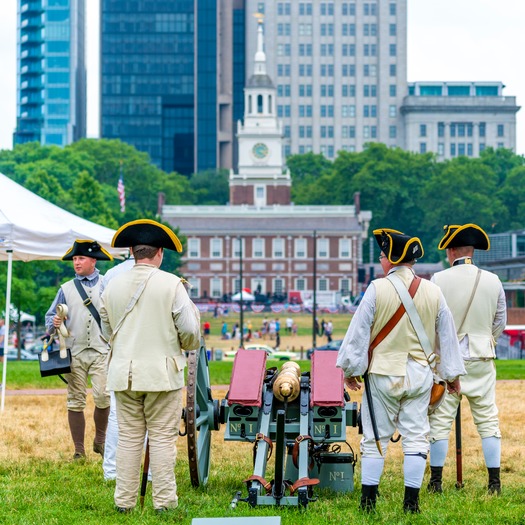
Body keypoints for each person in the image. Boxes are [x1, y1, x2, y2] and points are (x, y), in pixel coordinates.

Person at [336, 228, 465, 513]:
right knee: (417, 437)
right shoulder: (433, 291)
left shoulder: (376, 289)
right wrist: (452, 377)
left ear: (391, 259)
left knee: (374, 440)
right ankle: (411, 504)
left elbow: (358, 333)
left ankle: (368, 503)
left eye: (383, 255)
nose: (382, 260)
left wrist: (350, 371)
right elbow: (447, 336)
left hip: (382, 374)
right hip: (420, 374)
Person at [100, 219, 201, 513]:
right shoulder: (172, 285)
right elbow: (190, 333)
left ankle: (124, 502)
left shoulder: (112, 286)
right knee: (161, 439)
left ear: (132, 251)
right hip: (162, 375)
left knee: (129, 439)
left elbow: (107, 332)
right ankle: (165, 503)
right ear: (159, 253)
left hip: (124, 375)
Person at [428, 224, 507, 495]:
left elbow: (432, 324)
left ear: (451, 250)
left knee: (439, 422)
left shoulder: (438, 280)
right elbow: (500, 321)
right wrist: (486, 340)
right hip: (483, 357)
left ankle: (436, 482)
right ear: (472, 251)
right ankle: (494, 483)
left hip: (449, 362)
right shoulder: (494, 280)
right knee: (488, 420)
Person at [45, 240, 113, 460]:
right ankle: (78, 450)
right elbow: (49, 319)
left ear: (93, 261)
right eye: (74, 259)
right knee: (75, 400)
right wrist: (54, 322)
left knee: (103, 396)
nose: (77, 262)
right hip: (74, 352)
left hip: (101, 349)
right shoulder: (65, 288)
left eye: (81, 258)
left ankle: (100, 440)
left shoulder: (107, 284)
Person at [99, 256, 136, 482]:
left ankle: (111, 470)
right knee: (154, 419)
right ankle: (150, 472)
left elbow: (104, 318)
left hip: (121, 352)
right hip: (153, 357)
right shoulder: (166, 279)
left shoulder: (111, 275)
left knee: (115, 415)